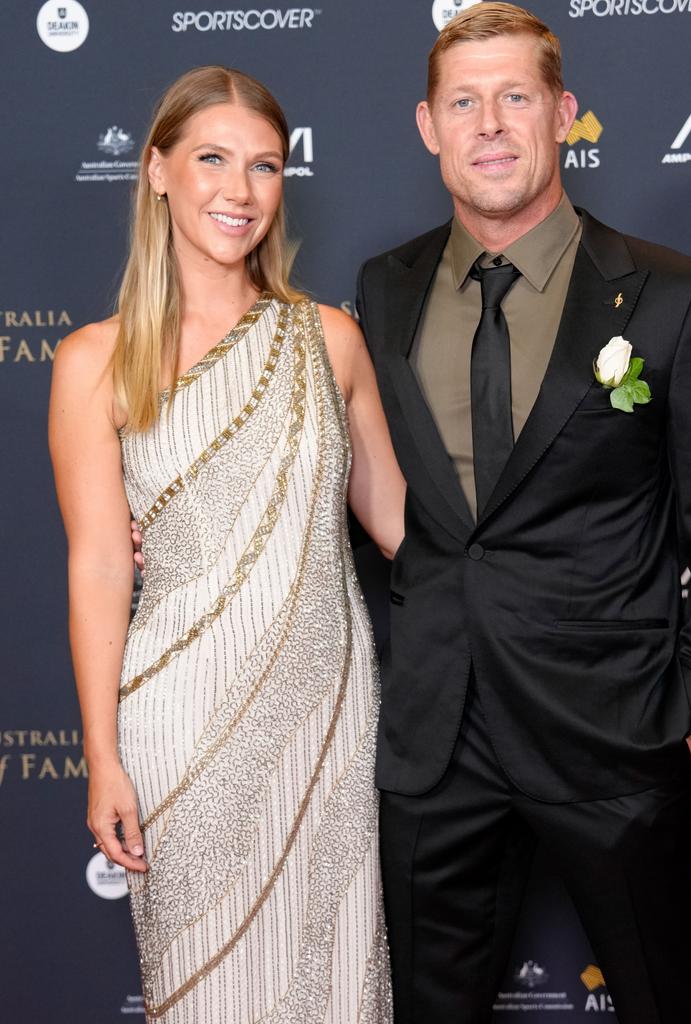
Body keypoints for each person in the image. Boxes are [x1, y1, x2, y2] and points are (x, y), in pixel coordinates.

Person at [355, 5, 691, 1023]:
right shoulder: (385, 287)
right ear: (426, 126)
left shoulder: (670, 296)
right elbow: (367, 484)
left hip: (615, 732)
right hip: (436, 740)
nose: (488, 123)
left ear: (564, 114)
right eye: (464, 101)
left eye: (514, 97)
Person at [49, 65, 402, 1023]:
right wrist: (103, 755)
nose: (239, 192)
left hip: (325, 724)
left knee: (337, 992)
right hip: (178, 725)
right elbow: (96, 566)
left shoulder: (328, 339)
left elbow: (408, 529)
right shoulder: (94, 360)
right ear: (157, 170)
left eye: (265, 166)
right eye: (212, 160)